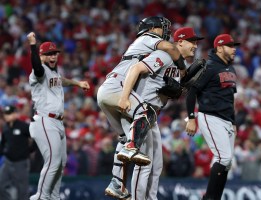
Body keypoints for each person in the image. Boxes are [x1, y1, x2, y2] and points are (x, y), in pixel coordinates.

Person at [97, 16, 187, 199]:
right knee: (144, 113)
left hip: (107, 91)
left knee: (124, 138)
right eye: (162, 28)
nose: (165, 32)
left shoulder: (140, 46)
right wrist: (182, 68)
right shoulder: (149, 39)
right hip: (118, 89)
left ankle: (117, 183)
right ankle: (131, 147)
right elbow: (169, 48)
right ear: (153, 29)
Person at [119, 26, 203, 200]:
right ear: (180, 41)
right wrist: (124, 97)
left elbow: (171, 91)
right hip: (141, 111)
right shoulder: (164, 56)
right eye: (192, 42)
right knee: (144, 163)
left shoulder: (181, 66)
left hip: (152, 114)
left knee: (156, 165)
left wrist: (180, 89)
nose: (195, 46)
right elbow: (135, 69)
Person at [27, 32, 90, 200]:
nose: (53, 56)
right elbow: (36, 67)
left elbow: (61, 80)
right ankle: (41, 196)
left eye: (54, 53)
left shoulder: (54, 73)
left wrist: (77, 83)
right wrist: (33, 45)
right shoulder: (38, 72)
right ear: (41, 56)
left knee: (61, 163)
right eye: (48, 54)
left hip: (57, 123)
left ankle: (53, 197)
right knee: (53, 162)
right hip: (45, 120)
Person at [185, 33, 240, 200]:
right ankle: (209, 198)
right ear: (220, 47)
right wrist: (191, 118)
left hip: (227, 119)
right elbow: (191, 92)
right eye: (230, 46)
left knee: (227, 163)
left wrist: (234, 122)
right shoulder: (209, 67)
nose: (234, 49)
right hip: (210, 116)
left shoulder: (231, 69)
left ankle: (214, 197)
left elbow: (230, 98)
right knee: (223, 158)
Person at [0, 105, 35, 200]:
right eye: (6, 114)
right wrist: (4, 151)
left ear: (15, 114)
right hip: (8, 162)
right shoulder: (5, 128)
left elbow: (36, 137)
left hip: (21, 162)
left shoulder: (23, 126)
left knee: (22, 190)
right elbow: (3, 143)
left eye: (9, 113)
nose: (7, 116)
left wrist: (30, 150)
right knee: (1, 185)